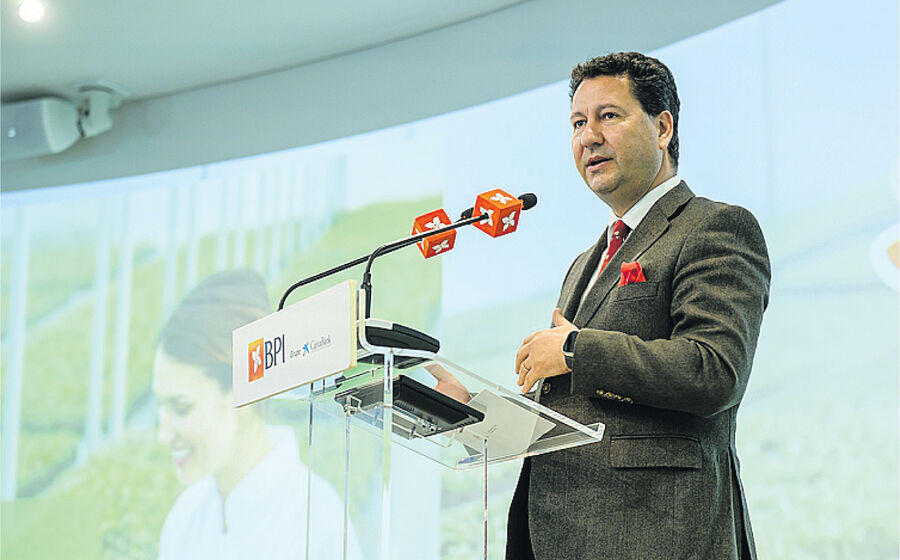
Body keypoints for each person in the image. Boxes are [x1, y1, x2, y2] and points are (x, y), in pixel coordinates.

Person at [507, 52, 771, 559]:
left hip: (659, 536)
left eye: (609, 116)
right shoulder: (586, 262)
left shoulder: (713, 227)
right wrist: (471, 411)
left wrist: (575, 350)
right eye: (578, 122)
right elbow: (581, 407)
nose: (588, 137)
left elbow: (713, 370)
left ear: (663, 127)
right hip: (563, 538)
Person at [153, 270, 361, 560]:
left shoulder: (316, 521)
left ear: (242, 393)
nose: (163, 435)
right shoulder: (184, 520)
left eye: (182, 407)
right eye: (160, 407)